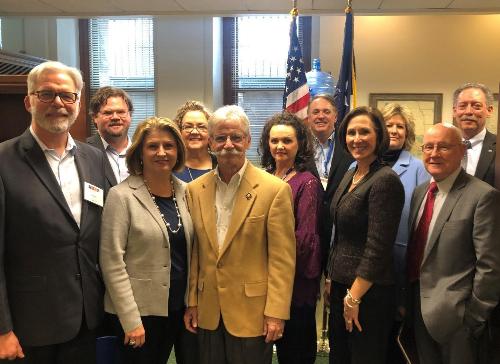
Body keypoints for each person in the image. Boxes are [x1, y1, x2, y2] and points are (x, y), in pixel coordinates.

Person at [0, 61, 106, 363]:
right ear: (28, 100)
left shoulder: (94, 159)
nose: (58, 103)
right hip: (29, 327)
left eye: (67, 95)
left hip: (86, 319)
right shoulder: (4, 162)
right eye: (46, 94)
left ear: (78, 102)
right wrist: (2, 330)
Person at [184, 105, 296, 364]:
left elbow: (282, 260)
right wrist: (192, 301)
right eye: (221, 138)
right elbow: (196, 253)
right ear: (210, 141)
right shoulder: (194, 190)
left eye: (236, 137)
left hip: (252, 312)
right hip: (208, 310)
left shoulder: (274, 190)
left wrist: (276, 312)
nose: (228, 144)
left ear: (247, 140)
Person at [100, 117, 196, 364]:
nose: (162, 152)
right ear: (140, 152)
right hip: (138, 314)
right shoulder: (121, 196)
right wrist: (130, 320)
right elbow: (111, 262)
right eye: (153, 146)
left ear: (179, 151)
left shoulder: (187, 192)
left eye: (169, 146)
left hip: (178, 308)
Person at [406, 123, 500, 364]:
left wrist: (472, 319)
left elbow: (490, 265)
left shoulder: (482, 196)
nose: (434, 153)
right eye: (428, 147)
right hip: (417, 310)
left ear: (461, 151)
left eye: (444, 147)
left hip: (457, 320)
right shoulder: (420, 193)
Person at [325, 106, 405, 364]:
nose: (357, 138)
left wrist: (353, 296)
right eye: (351, 133)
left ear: (379, 135)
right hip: (342, 286)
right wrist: (331, 278)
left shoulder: (385, 180)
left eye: (364, 132)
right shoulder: (352, 172)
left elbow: (377, 248)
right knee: (341, 357)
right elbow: (340, 233)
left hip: (368, 294)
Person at [259, 111, 323, 364]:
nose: (279, 146)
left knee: (294, 351)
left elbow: (304, 240)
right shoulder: (264, 177)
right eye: (274, 141)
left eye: (287, 141)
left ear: (300, 144)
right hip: (265, 278)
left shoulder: (307, 183)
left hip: (295, 281)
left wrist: (269, 262)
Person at [381, 103, 429, 364]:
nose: (395, 131)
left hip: (403, 265)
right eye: (389, 125)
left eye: (400, 126)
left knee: (399, 341)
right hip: (370, 268)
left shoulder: (419, 168)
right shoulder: (361, 166)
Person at [87, 86, 133, 189]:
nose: (115, 117)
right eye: (108, 113)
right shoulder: (81, 152)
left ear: (130, 115)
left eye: (121, 112)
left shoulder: (143, 152)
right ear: (95, 117)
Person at [453, 83, 496, 186]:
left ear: (489, 111)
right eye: (462, 106)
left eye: (476, 106)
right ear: (454, 111)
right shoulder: (444, 146)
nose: (468, 112)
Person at [173, 100, 216, 182]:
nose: (195, 132)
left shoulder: (222, 166)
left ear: (210, 132)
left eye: (201, 127)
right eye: (188, 127)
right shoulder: (171, 166)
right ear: (179, 131)